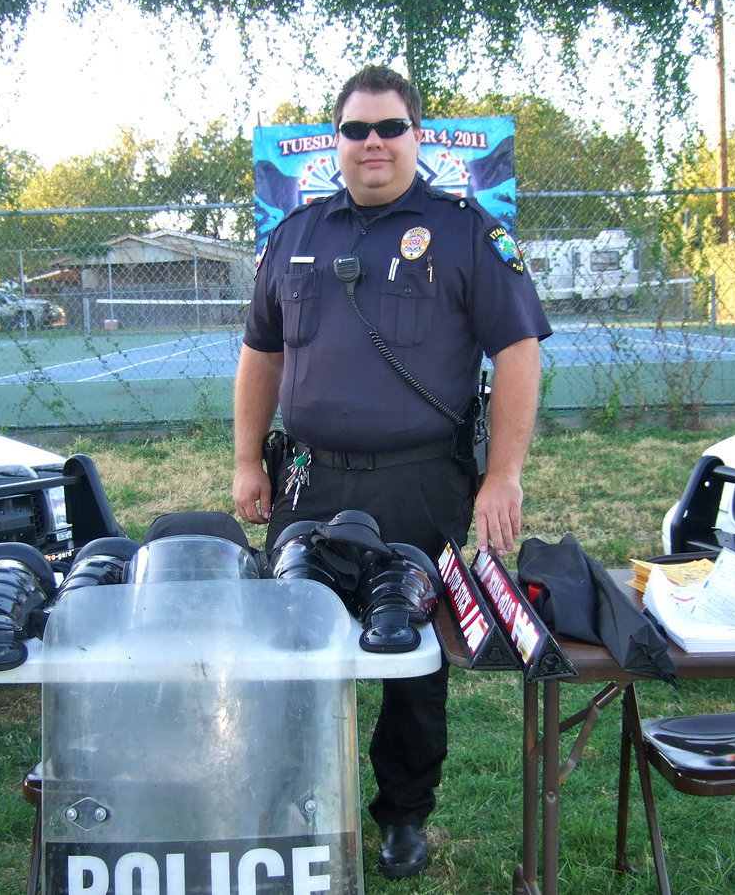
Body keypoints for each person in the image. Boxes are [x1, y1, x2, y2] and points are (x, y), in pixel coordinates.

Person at [232, 64, 552, 879]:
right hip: (310, 483)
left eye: (389, 128)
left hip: (421, 484)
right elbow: (259, 353)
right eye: (354, 129)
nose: (371, 143)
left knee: (413, 664)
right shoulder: (295, 235)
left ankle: (403, 816)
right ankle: (298, 803)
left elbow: (518, 352)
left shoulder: (467, 232)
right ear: (335, 141)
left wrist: (503, 476)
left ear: (417, 137)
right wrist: (245, 460)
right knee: (294, 655)